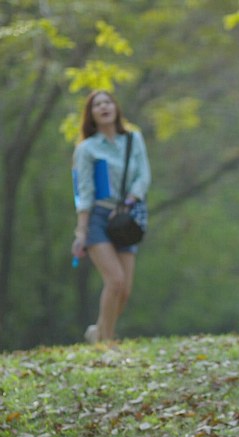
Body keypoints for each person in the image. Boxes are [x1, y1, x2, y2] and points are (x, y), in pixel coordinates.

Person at [71, 90, 151, 344]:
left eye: (108, 102)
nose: (104, 107)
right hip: (98, 217)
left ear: (116, 108)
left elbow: (143, 176)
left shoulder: (133, 139)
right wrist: (81, 231)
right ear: (91, 114)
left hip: (125, 217)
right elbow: (84, 190)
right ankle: (107, 343)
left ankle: (98, 332)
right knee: (114, 280)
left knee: (124, 290)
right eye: (97, 105)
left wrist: (128, 203)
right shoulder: (87, 149)